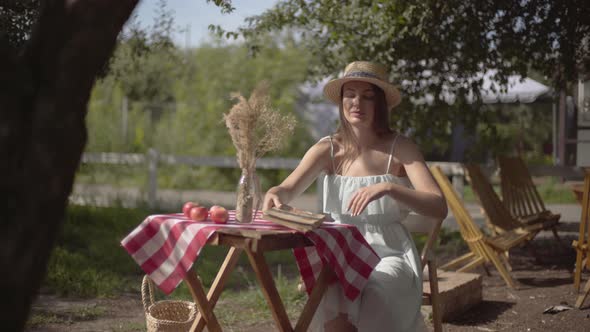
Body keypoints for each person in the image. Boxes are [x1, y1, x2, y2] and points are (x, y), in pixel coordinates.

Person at [262, 61, 448, 332]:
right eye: (350, 94)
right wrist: (274, 192)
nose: (356, 102)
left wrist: (390, 188)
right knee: (332, 289)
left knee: (375, 291)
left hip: (389, 251)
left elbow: (439, 206)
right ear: (341, 101)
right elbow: (287, 189)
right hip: (339, 250)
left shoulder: (401, 147)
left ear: (381, 103)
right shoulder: (327, 148)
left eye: (367, 96)